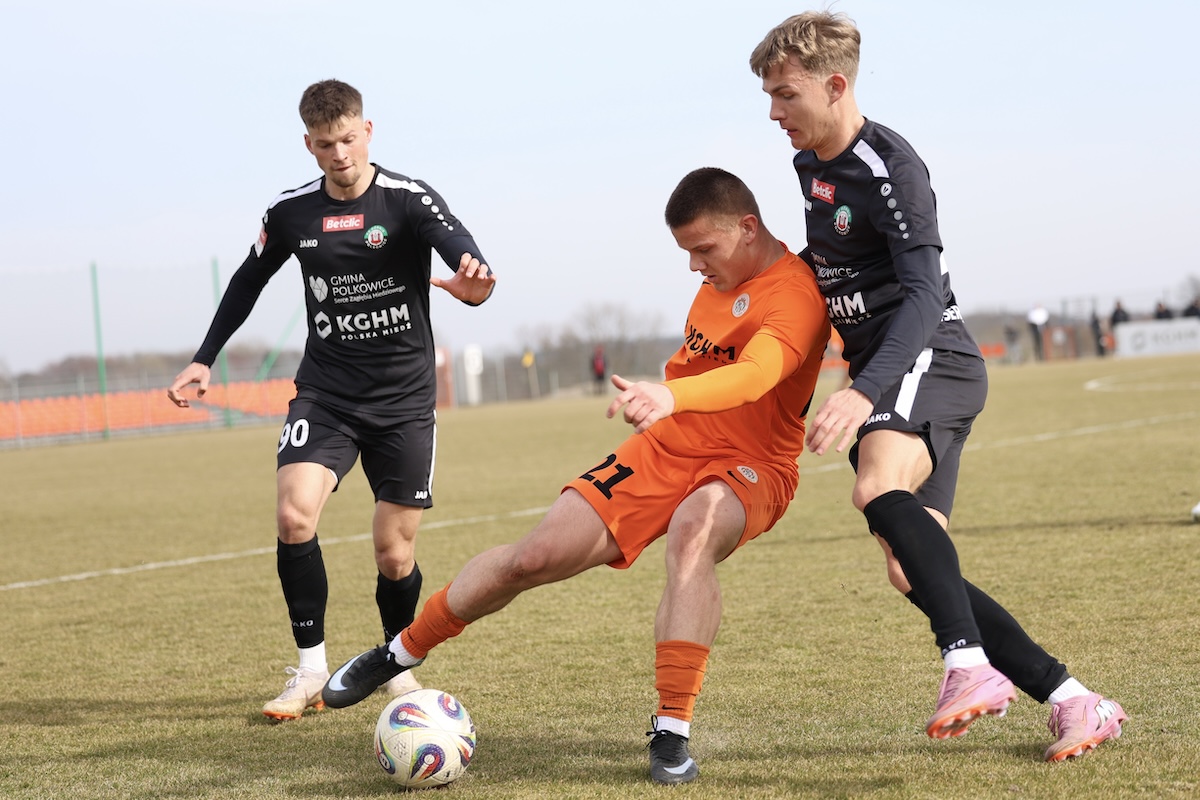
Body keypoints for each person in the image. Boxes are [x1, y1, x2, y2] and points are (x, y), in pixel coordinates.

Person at [319, 167, 831, 785]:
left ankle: (671, 730)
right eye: (686, 252)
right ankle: (398, 652)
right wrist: (671, 407)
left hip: (751, 464)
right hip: (667, 445)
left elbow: (755, 375)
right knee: (532, 558)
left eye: (703, 249)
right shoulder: (720, 275)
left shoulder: (795, 293)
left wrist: (670, 395)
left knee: (693, 532)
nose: (695, 266)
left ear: (747, 228)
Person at [750, 12, 1126, 761]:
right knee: (911, 567)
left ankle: (966, 664)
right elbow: (835, 272)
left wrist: (863, 390)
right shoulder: (810, 164)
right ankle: (1075, 700)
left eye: (786, 94)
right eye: (768, 96)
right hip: (898, 370)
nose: (773, 113)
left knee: (873, 486)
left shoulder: (893, 168)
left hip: (928, 356)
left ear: (835, 85)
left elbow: (924, 295)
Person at [166, 79, 497, 721]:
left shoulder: (408, 198)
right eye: (325, 144)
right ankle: (311, 670)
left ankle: (395, 663)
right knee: (294, 517)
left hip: (404, 402)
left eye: (348, 139)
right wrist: (204, 358)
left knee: (393, 552)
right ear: (308, 145)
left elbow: (469, 261)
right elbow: (246, 282)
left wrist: (473, 283)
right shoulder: (290, 212)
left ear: (367, 131)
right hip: (326, 394)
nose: (340, 154)